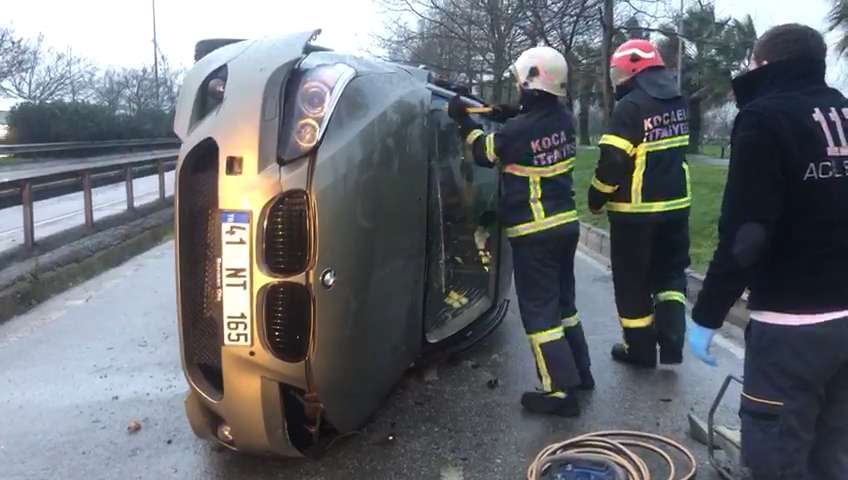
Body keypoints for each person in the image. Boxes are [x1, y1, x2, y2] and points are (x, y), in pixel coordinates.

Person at [688, 24, 848, 479]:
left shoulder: (763, 118)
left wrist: (707, 315)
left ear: (762, 64)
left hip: (792, 326)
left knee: (776, 456)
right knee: (832, 451)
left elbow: (747, 235)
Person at [448, 46, 593, 417]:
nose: (516, 86)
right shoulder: (564, 119)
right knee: (564, 305)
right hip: (564, 227)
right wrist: (502, 112)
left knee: (539, 313)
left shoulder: (518, 132)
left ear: (530, 81)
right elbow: (533, 119)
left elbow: (482, 151)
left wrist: (465, 122)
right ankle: (581, 372)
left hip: (535, 232)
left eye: (520, 81)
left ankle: (559, 392)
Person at [587, 39, 690, 368]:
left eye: (618, 73)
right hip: (675, 208)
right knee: (670, 277)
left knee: (632, 283)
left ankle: (641, 351)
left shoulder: (631, 107)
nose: (616, 80)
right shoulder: (678, 101)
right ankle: (673, 344)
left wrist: (596, 196)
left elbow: (613, 161)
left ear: (633, 70)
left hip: (635, 214)